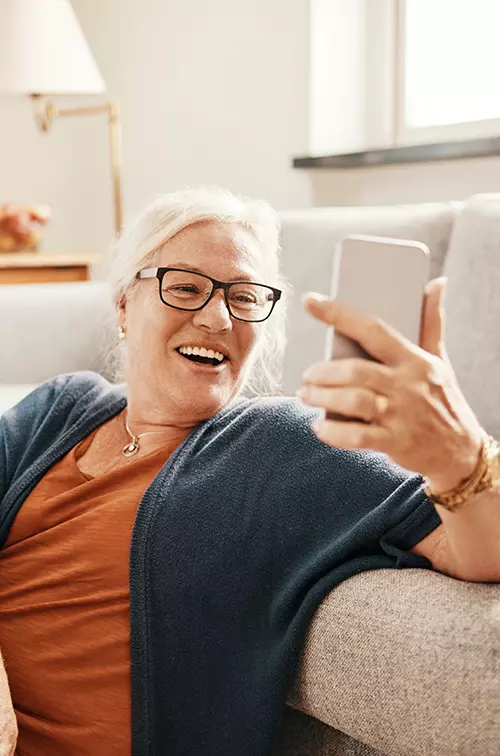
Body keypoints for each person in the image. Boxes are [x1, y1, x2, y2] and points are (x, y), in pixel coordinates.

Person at [0, 187, 498, 756]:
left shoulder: (282, 443)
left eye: (244, 297)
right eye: (184, 287)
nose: (216, 317)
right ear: (123, 306)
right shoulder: (61, 409)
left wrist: (460, 451)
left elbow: (480, 551)